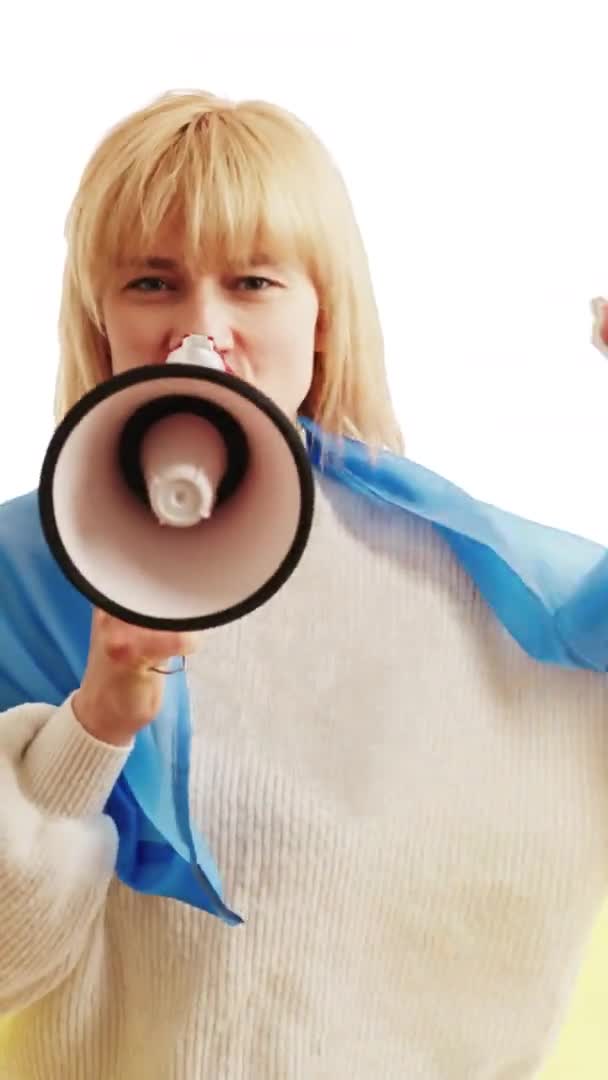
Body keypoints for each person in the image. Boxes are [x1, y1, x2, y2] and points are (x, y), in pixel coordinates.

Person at [1, 88, 608, 1080]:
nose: (202, 328)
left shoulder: (458, 590)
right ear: (99, 316)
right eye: (151, 283)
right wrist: (96, 724)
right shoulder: (23, 576)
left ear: (323, 316)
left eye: (251, 282)